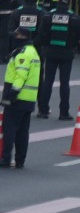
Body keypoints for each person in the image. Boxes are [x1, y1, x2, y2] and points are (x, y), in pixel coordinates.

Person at [38, 0, 80, 121]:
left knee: (48, 82)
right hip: (66, 53)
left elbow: (40, 35)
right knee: (64, 83)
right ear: (69, 2)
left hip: (50, 51)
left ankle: (43, 110)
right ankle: (63, 113)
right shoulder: (74, 17)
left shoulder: (48, 15)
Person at [1, 26, 41, 168]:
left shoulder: (22, 53)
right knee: (23, 132)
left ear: (21, 38)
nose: (13, 38)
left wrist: (11, 94)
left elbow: (21, 76)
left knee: (9, 129)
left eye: (16, 35)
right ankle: (20, 160)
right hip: (29, 98)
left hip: (18, 98)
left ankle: (6, 159)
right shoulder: (33, 52)